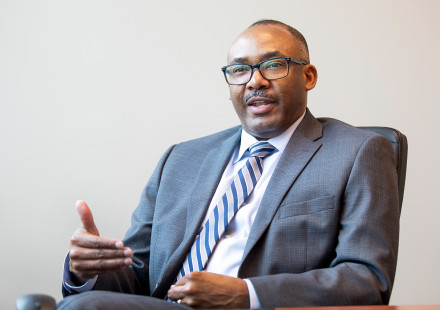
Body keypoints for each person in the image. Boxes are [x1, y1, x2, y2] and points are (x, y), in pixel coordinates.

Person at [58, 19, 400, 309]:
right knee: (82, 300)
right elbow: (138, 273)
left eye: (273, 65)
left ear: (308, 76)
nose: (255, 81)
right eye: (239, 70)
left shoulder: (359, 151)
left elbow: (367, 278)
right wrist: (87, 269)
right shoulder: (180, 159)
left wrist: (246, 294)